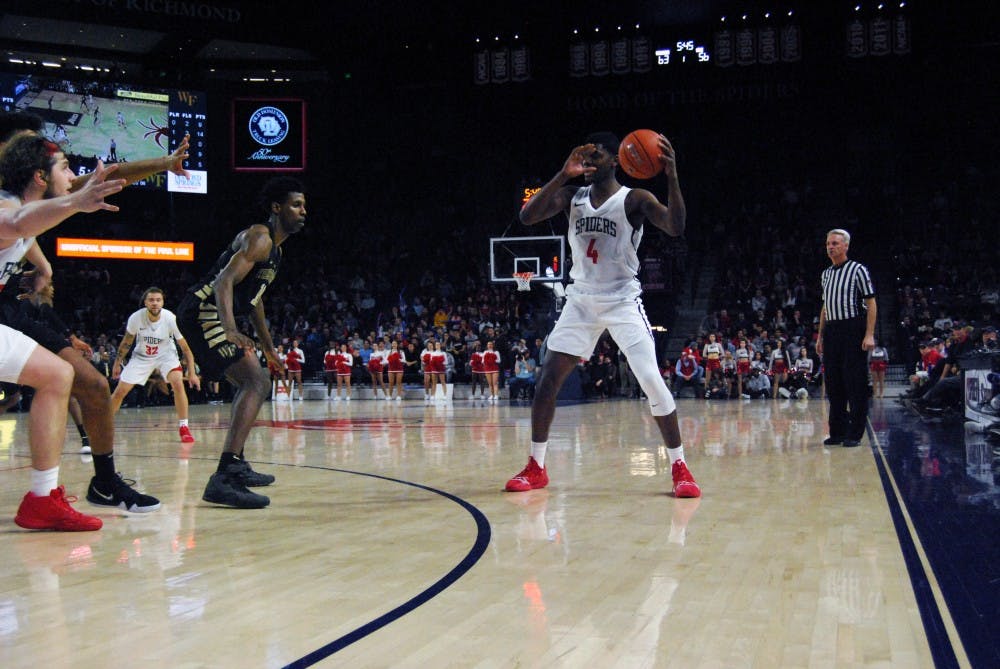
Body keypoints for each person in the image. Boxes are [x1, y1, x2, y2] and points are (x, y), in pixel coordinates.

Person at [503, 131, 700, 497]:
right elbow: (527, 217)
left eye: (596, 156)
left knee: (651, 381)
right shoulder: (571, 196)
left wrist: (671, 177)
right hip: (581, 299)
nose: (589, 163)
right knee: (547, 379)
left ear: (617, 160)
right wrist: (564, 172)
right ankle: (536, 466)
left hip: (623, 299)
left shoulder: (635, 199)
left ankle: (680, 467)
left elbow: (675, 226)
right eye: (585, 157)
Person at [0, 132, 162, 513]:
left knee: (89, 382)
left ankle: (102, 483)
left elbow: (111, 177)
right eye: (65, 168)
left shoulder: (36, 196)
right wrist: (75, 202)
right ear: (39, 175)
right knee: (45, 381)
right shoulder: (10, 204)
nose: (74, 176)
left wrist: (165, 164)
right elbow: (19, 222)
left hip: (9, 305)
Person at [176, 177, 306, 508]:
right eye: (296, 205)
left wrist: (268, 347)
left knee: (250, 383)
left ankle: (236, 463)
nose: (303, 211)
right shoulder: (260, 237)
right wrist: (230, 329)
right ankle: (224, 476)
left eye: (304, 205)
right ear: (277, 208)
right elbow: (223, 283)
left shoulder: (276, 250)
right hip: (203, 311)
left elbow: (254, 301)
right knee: (256, 381)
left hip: (213, 314)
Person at [109, 287, 201, 443]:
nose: (155, 303)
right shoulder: (136, 318)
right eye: (151, 300)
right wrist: (117, 363)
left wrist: (192, 373)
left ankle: (184, 427)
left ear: (163, 302)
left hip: (166, 355)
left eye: (158, 300)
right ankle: (104, 424)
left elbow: (186, 348)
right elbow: (126, 342)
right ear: (145, 302)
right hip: (142, 356)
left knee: (178, 382)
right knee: (120, 391)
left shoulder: (170, 318)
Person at [817, 228, 876, 447]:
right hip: (832, 329)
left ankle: (855, 432)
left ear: (846, 246)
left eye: (835, 243)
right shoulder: (826, 274)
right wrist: (820, 336)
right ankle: (837, 431)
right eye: (828, 244)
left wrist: (869, 334)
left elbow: (871, 302)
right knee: (834, 382)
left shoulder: (858, 269)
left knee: (854, 381)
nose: (830, 247)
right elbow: (825, 307)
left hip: (853, 327)